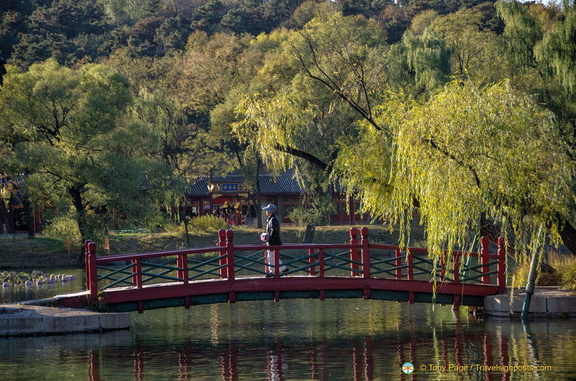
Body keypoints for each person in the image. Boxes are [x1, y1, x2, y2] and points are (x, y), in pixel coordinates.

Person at [262, 204, 287, 276]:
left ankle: (272, 272)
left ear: (270, 211)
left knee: (270, 257)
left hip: (273, 242)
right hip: (274, 241)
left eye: (267, 210)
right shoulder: (272, 218)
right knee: (273, 257)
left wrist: (268, 237)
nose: (266, 211)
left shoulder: (273, 219)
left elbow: (273, 231)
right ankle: (283, 269)